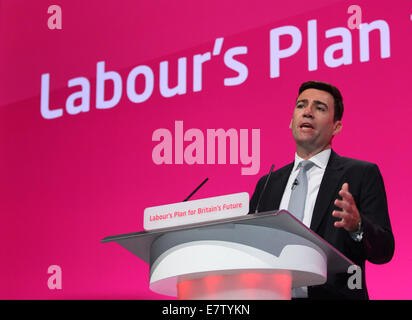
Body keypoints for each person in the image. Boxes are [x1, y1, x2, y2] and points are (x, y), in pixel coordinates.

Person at [249, 81, 395, 300]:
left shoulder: (361, 174)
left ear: (336, 126)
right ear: (291, 122)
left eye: (319, 108)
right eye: (301, 106)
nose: (307, 112)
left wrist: (358, 226)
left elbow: (384, 251)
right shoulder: (267, 183)